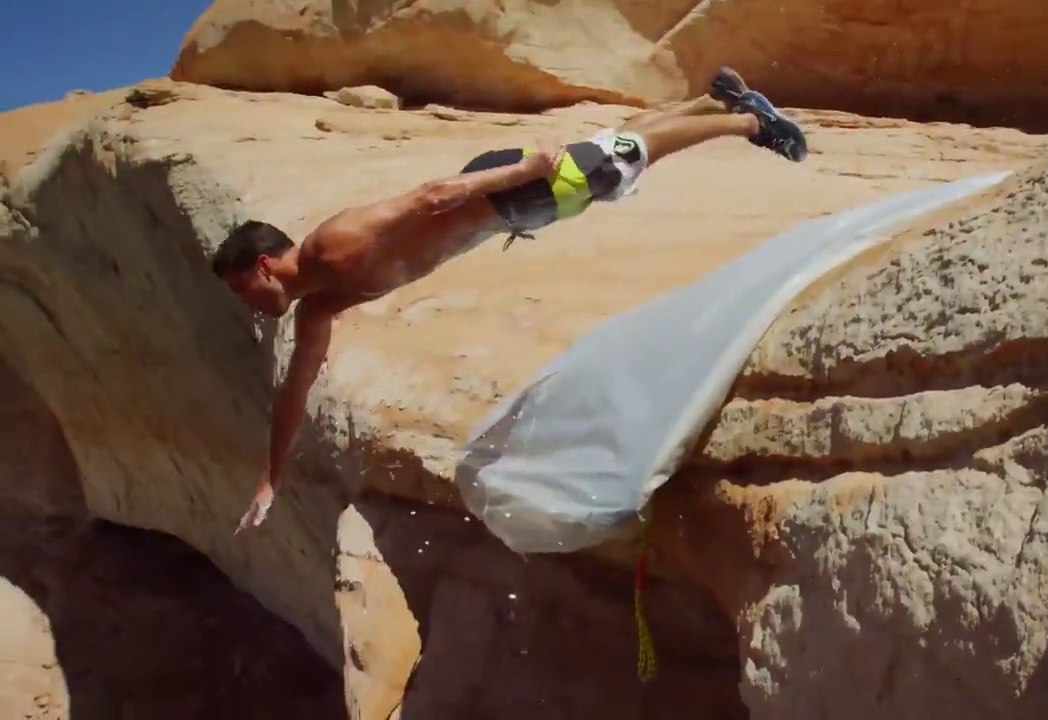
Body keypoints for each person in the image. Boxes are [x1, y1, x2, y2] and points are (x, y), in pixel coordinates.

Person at [212, 67, 807, 534]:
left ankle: (748, 122)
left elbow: (427, 197)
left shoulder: (331, 247)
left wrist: (523, 171)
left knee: (616, 162)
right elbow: (294, 392)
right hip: (503, 209)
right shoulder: (319, 306)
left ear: (263, 265)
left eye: (242, 290)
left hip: (502, 195)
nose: (249, 304)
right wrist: (270, 480)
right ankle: (710, 102)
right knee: (609, 153)